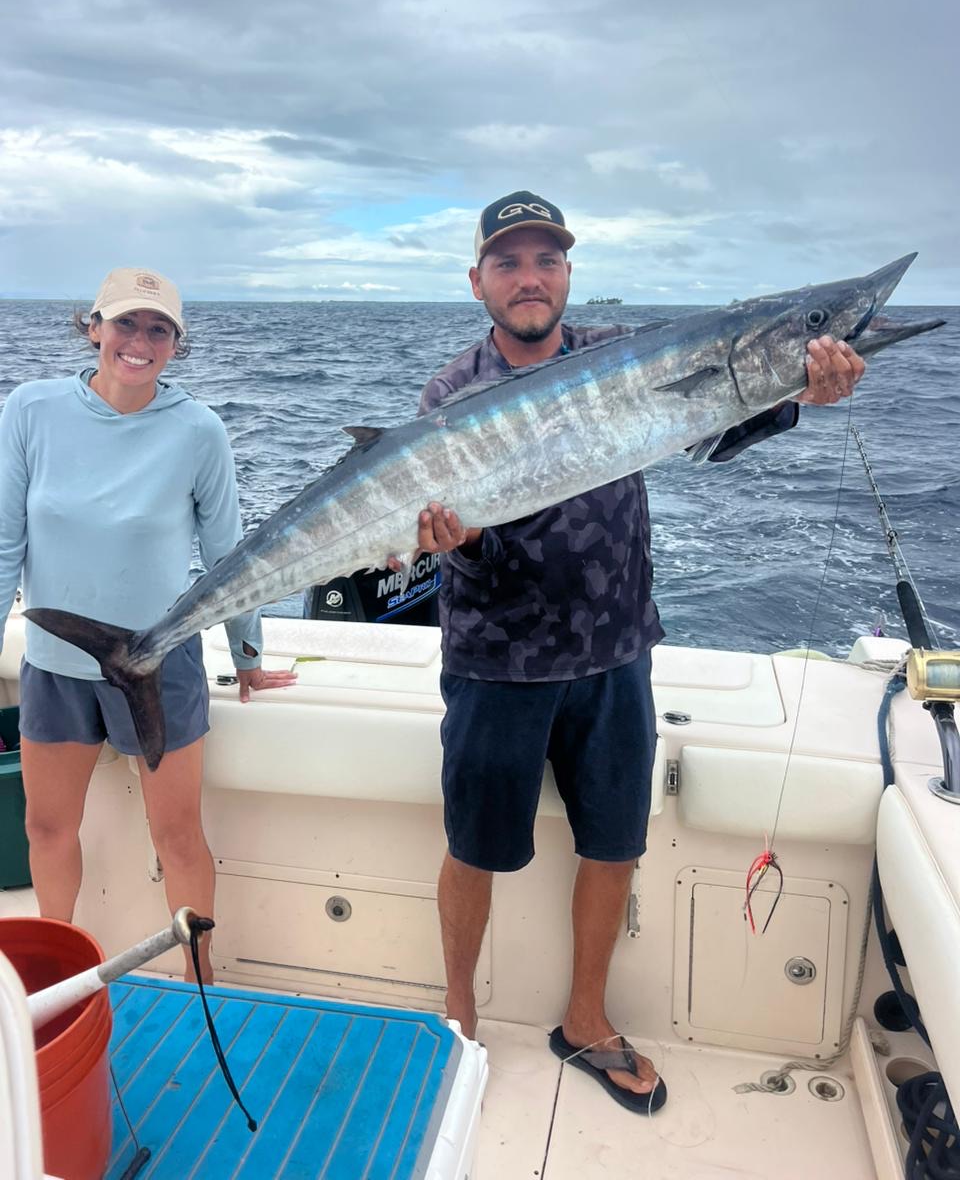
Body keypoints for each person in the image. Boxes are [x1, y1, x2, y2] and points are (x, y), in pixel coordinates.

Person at [408, 191, 866, 1113]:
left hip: (617, 649)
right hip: (497, 659)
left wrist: (794, 394)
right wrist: (455, 541)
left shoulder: (621, 354)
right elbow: (478, 546)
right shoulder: (452, 394)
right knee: (475, 847)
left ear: (568, 275)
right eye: (508, 263)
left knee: (613, 845)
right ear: (478, 282)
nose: (529, 278)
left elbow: (712, 425)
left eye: (546, 260)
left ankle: (585, 1020)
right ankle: (457, 1014)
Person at [0, 267, 297, 982]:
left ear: (176, 344)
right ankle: (51, 971)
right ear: (93, 325)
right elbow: (7, 543)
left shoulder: (198, 430)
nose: (138, 341)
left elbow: (231, 555)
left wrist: (248, 651)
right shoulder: (29, 411)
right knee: (45, 827)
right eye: (125, 323)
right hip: (56, 668)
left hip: (161, 667)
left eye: (157, 329)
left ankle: (202, 979)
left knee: (177, 835)